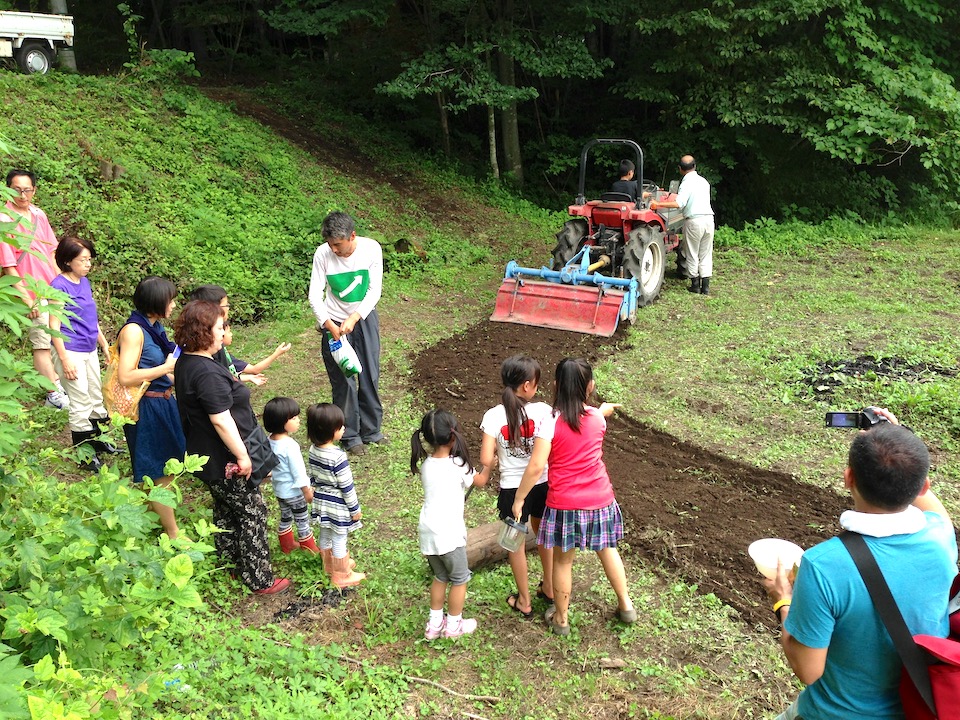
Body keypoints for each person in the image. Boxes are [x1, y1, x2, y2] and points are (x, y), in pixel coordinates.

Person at [763, 410, 956, 720]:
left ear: (848, 477)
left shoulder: (824, 564)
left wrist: (783, 601)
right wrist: (896, 443)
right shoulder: (940, 535)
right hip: (919, 707)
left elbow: (808, 670)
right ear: (923, 485)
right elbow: (927, 500)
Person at [173, 300, 290, 595]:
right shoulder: (206, 372)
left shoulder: (187, 361)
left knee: (226, 509)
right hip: (224, 457)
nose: (224, 332)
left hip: (205, 455)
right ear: (203, 332)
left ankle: (230, 563)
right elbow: (221, 420)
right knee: (252, 512)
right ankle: (259, 577)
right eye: (219, 327)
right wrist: (242, 456)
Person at [513, 358, 636, 636]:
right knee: (607, 549)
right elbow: (593, 415)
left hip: (565, 504)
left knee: (562, 561)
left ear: (556, 386)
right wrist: (602, 410)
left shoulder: (550, 422)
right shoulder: (595, 418)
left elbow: (536, 466)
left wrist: (520, 499)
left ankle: (561, 619)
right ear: (590, 387)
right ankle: (626, 605)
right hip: (601, 499)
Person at [476, 355, 555, 618]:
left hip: (512, 491)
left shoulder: (493, 415)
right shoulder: (543, 410)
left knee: (515, 544)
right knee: (543, 536)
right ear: (527, 386)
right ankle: (551, 588)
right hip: (541, 483)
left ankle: (524, 600)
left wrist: (496, 458)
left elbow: (486, 459)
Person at [308, 211, 385, 456]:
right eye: (330, 245)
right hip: (333, 322)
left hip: (362, 318)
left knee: (369, 373)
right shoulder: (323, 253)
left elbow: (374, 290)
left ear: (352, 236)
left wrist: (355, 316)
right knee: (343, 379)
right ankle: (350, 435)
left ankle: (372, 430)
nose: (333, 250)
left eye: (338, 245)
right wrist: (328, 324)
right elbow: (314, 294)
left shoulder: (371, 249)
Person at [117, 276, 185, 539]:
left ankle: (150, 521)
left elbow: (163, 371)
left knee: (157, 468)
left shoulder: (154, 327)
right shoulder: (134, 331)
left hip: (163, 401)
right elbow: (126, 375)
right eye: (171, 299)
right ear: (157, 300)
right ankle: (173, 532)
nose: (174, 304)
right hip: (147, 408)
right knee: (160, 472)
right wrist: (165, 368)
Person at [412, 408, 485, 640]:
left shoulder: (426, 465)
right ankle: (453, 626)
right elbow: (480, 481)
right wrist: (490, 465)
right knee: (459, 579)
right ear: (453, 436)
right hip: (449, 535)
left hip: (428, 531)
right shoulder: (458, 464)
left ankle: (434, 625)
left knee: (440, 577)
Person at [1, 169, 69, 409]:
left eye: (27, 189)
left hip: (50, 286)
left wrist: (62, 280)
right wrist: (24, 298)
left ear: (34, 190)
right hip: (28, 290)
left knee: (56, 335)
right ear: (8, 189)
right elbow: (9, 266)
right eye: (17, 189)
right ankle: (53, 392)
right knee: (41, 339)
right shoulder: (4, 220)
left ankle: (57, 382)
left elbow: (51, 249)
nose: (22, 194)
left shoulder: (39, 215)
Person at [48, 236, 114, 471]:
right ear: (67, 261)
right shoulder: (58, 286)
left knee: (96, 395)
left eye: (89, 259)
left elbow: (90, 317)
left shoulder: (83, 282)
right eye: (82, 260)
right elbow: (53, 325)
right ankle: (85, 455)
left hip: (89, 348)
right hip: (70, 350)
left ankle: (99, 442)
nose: (88, 264)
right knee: (80, 401)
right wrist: (64, 359)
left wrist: (104, 344)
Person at [306, 402, 366, 588]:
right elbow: (346, 486)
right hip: (337, 503)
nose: (343, 430)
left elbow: (313, 476)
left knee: (325, 532)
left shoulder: (313, 450)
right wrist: (355, 509)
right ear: (330, 431)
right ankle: (341, 574)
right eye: (340, 427)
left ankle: (329, 566)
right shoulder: (338, 456)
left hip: (321, 500)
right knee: (340, 536)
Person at [188, 284, 291, 384]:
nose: (228, 308)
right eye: (226, 305)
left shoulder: (217, 350)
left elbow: (231, 375)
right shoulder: (208, 354)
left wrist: (248, 377)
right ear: (212, 308)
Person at [650, 155, 715, 294]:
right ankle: (706, 287)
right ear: (695, 166)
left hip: (694, 221)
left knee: (691, 252)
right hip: (709, 219)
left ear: (680, 169)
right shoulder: (704, 182)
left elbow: (679, 203)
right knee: (706, 253)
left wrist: (657, 204)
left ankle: (695, 285)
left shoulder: (686, 183)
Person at [263, 396, 319, 555]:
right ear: (281, 421)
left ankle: (286, 545)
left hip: (280, 490)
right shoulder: (290, 446)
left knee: (286, 517)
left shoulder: (269, 441)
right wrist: (307, 492)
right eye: (293, 418)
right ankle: (310, 550)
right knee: (302, 520)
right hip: (295, 493)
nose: (298, 420)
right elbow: (299, 472)